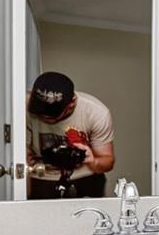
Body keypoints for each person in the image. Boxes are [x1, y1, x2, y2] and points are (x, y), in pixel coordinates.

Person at [26, 71, 115, 199]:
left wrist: (93, 161)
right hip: (40, 176)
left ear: (72, 103)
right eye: (40, 111)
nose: (44, 116)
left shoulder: (96, 113)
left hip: (84, 177)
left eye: (52, 113)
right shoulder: (21, 106)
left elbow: (107, 161)